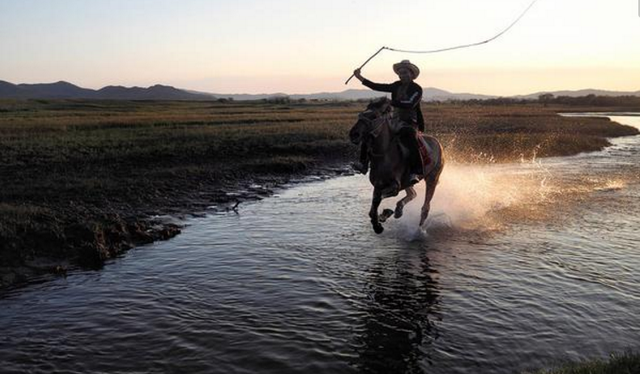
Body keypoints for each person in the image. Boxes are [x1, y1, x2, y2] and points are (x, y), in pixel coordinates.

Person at [352, 60, 425, 184]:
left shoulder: (416, 89)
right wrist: (360, 78)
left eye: (405, 73)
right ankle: (363, 163)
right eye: (401, 73)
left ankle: (415, 171)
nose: (403, 75)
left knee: (410, 136)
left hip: (409, 121)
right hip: (393, 119)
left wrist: (391, 102)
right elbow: (378, 86)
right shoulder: (396, 85)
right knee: (371, 131)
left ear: (412, 74)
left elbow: (410, 104)